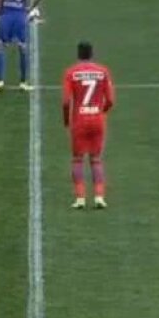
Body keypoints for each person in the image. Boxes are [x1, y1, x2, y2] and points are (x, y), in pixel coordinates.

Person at [61, 41, 116, 210]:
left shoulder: (71, 72)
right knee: (96, 159)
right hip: (97, 119)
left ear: (78, 55)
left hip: (79, 121)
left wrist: (66, 120)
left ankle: (80, 198)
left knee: (77, 159)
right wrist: (102, 111)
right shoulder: (103, 71)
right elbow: (111, 100)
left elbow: (66, 102)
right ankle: (99, 196)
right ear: (92, 54)